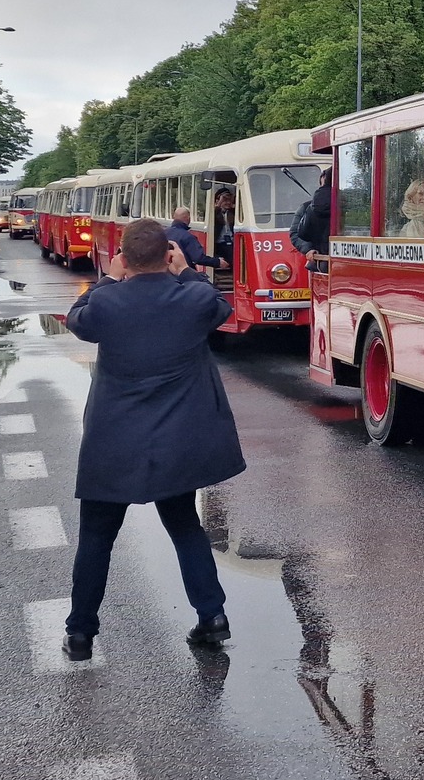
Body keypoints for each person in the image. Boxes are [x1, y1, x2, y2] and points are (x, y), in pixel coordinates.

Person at [63, 218, 245, 661]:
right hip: (175, 443)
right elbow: (217, 305)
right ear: (169, 253)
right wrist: (184, 270)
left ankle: (81, 633)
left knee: (96, 536)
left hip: (115, 443)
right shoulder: (193, 298)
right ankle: (212, 616)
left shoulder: (106, 303)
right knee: (184, 526)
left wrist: (111, 276)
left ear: (124, 257)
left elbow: (77, 319)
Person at [290, 168, 331, 255]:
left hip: (318, 261)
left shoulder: (306, 208)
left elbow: (297, 233)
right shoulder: (349, 206)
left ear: (322, 181)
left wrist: (308, 249)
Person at [168, 207, 222, 272]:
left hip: (166, 273)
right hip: (183, 273)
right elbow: (198, 258)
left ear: (174, 217)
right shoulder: (188, 237)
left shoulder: (163, 233)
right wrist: (218, 262)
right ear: (188, 218)